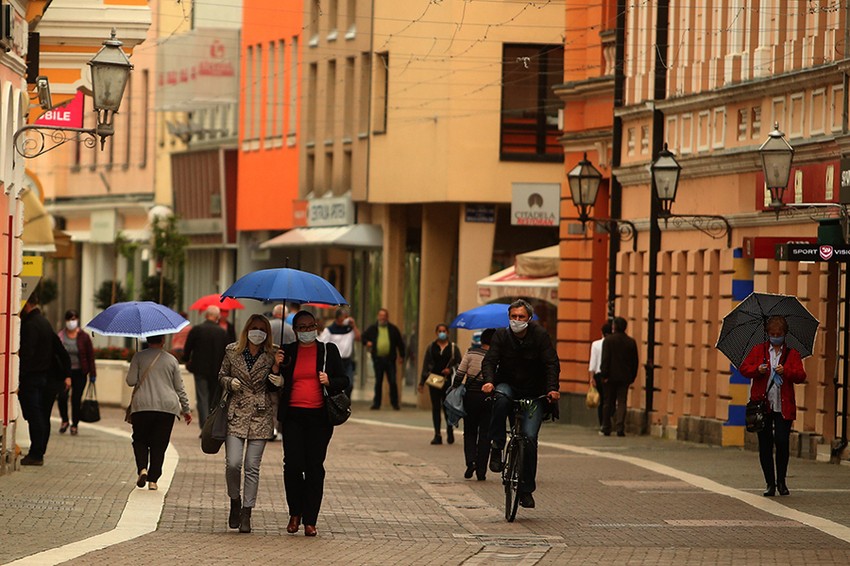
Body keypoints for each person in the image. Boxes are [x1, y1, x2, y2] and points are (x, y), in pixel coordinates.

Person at [274, 310, 347, 537]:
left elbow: (344, 380)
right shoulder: (287, 351)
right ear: (295, 330)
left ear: (316, 327)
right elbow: (272, 384)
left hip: (319, 418)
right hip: (293, 416)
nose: (306, 330)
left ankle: (310, 519)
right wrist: (276, 366)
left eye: (310, 326)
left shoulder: (328, 351)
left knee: (314, 467)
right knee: (293, 464)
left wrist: (329, 381)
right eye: (302, 327)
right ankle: (295, 513)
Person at [482, 299, 560, 510]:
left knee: (530, 438)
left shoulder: (540, 336)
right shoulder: (500, 335)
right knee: (500, 398)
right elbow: (489, 361)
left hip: (534, 394)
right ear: (509, 318)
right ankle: (497, 446)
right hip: (508, 385)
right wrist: (489, 381)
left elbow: (551, 363)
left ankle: (526, 490)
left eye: (521, 317)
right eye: (513, 317)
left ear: (529, 319)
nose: (517, 320)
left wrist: (552, 389)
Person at [218, 314, 279, 533]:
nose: (258, 332)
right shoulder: (232, 350)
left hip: (261, 414)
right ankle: (234, 500)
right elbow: (221, 375)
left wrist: (278, 374)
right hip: (236, 412)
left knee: (252, 467)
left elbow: (278, 385)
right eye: (254, 328)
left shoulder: (273, 354)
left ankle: (247, 512)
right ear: (247, 329)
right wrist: (229, 382)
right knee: (233, 463)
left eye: (262, 329)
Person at [739, 315, 807, 497]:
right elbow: (744, 368)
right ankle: (769, 483)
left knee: (782, 442)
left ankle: (782, 482)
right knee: (765, 444)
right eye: (772, 333)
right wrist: (757, 370)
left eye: (779, 334)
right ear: (767, 333)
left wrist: (787, 371)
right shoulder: (758, 350)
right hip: (763, 405)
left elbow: (801, 376)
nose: (776, 336)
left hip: (783, 405)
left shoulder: (791, 354)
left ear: (785, 334)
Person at [126, 335, 192, 491]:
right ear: (163, 341)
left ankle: (142, 469)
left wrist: (138, 364)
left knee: (140, 440)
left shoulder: (139, 356)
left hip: (142, 406)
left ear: (147, 340)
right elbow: (179, 387)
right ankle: (153, 480)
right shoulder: (171, 360)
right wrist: (186, 409)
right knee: (159, 444)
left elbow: (130, 381)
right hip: (166, 408)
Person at [19, 292, 71, 465]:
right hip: (47, 379)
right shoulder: (44, 323)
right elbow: (61, 352)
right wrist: (66, 374)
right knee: (41, 415)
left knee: (35, 416)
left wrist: (18, 377)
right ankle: (39, 451)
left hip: (32, 378)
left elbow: (27, 354)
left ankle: (36, 453)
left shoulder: (30, 325)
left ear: (26, 304)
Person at [451, 328, 495, 480]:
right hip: (488, 398)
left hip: (470, 397)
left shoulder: (471, 353)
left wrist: (454, 388)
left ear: (481, 340)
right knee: (485, 434)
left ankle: (471, 462)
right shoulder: (495, 357)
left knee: (469, 431)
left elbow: (460, 374)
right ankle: (481, 471)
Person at [183, 305, 229, 429]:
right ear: (218, 317)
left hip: (200, 369)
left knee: (202, 397)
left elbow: (187, 348)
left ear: (206, 315)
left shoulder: (197, 329)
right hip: (217, 370)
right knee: (214, 399)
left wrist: (186, 360)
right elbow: (227, 352)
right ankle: (211, 425)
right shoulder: (222, 332)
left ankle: (204, 426)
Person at [418, 323, 461, 445]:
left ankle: (449, 429)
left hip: (447, 381)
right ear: (436, 333)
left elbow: (460, 363)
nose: (442, 333)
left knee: (447, 407)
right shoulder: (431, 347)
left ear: (447, 332)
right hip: (434, 380)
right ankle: (437, 434)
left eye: (444, 331)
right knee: (436, 407)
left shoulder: (453, 348)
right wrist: (422, 382)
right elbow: (426, 365)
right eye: (440, 331)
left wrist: (450, 369)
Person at [56, 309, 97, 436]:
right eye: (69, 319)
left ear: (77, 320)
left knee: (76, 399)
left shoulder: (84, 337)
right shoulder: (61, 336)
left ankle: (75, 424)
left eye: (74, 319)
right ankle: (64, 420)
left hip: (80, 372)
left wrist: (93, 374)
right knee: (62, 397)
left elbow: (90, 356)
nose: (71, 322)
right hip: (64, 373)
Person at [599, 316, 639, 437]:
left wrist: (604, 374)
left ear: (614, 327)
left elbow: (605, 359)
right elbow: (634, 361)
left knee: (608, 402)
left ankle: (606, 426)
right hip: (625, 377)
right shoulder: (630, 342)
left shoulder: (608, 340)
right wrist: (632, 376)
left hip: (610, 377)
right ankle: (620, 427)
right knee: (622, 402)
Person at [361, 308, 405, 410]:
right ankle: (376, 403)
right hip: (378, 359)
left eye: (384, 316)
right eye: (381, 315)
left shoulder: (393, 329)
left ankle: (395, 403)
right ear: (378, 316)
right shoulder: (373, 328)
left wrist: (401, 356)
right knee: (378, 381)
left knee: (393, 381)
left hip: (390, 359)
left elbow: (400, 343)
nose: (382, 318)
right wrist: (367, 343)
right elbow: (363, 337)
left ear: (387, 317)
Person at [319, 307, 360, 398]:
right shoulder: (329, 330)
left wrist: (354, 326)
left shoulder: (349, 329)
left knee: (349, 384)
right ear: (338, 318)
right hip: (336, 361)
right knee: (337, 383)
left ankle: (346, 399)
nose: (346, 319)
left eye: (347, 317)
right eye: (344, 317)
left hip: (347, 361)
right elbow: (322, 342)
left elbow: (358, 337)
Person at [588, 321, 613, 431]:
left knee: (602, 400)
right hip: (610, 374)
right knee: (610, 399)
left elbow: (592, 362)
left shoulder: (596, 344)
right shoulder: (613, 344)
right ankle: (609, 420)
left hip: (598, 374)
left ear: (602, 332)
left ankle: (602, 423)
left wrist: (591, 377)